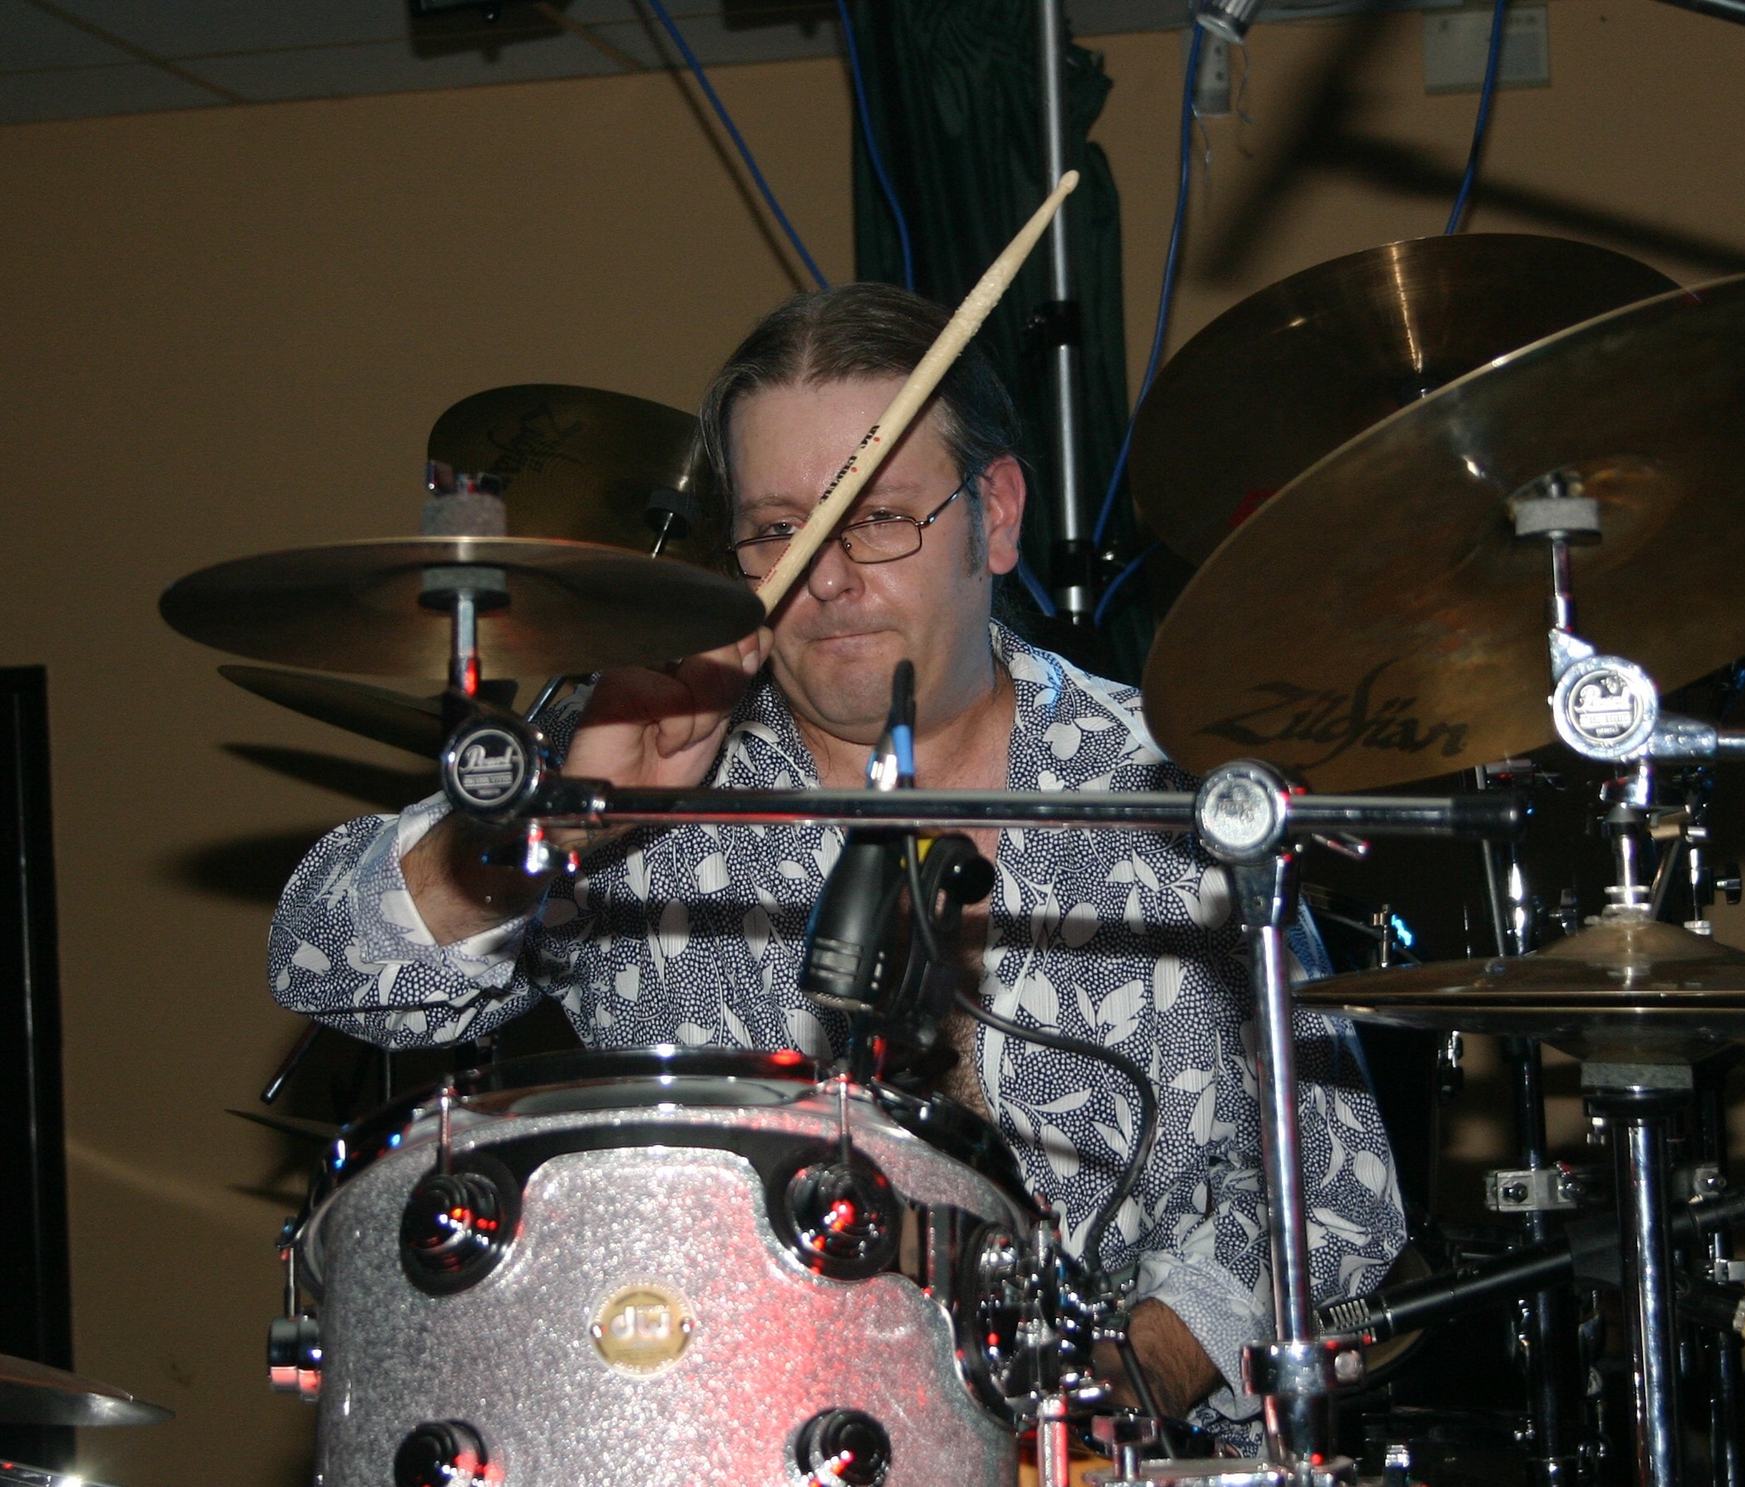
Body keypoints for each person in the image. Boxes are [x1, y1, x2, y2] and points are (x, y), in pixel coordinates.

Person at [269, 283, 1405, 1444]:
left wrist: (1129, 1372)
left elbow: (1331, 1195)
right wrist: (554, 830)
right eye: (778, 529)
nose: (825, 576)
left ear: (995, 516)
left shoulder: (1169, 796)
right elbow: (322, 959)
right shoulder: (644, 771)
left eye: (878, 517)